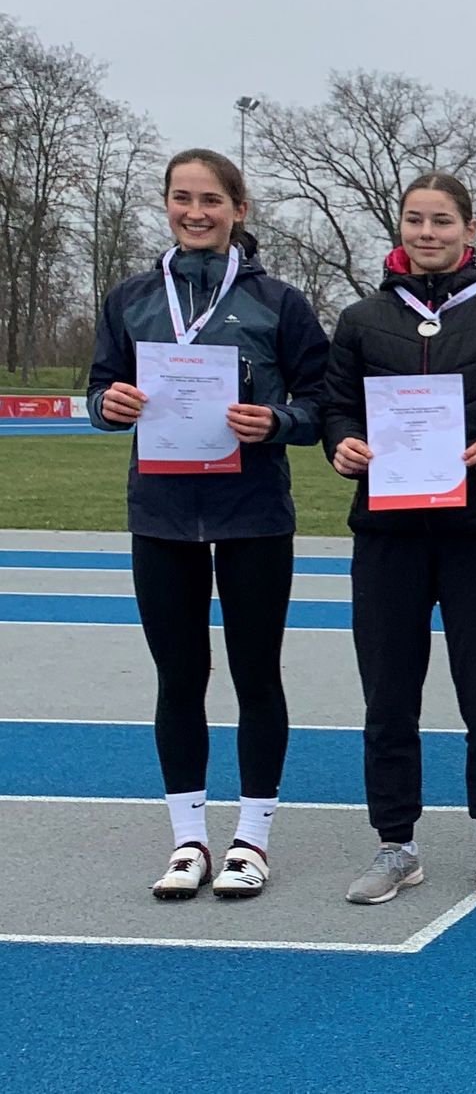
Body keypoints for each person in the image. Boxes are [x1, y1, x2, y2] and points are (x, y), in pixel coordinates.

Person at [86, 149, 328, 901]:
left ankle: (251, 839)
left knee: (257, 676)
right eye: (182, 198)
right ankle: (187, 839)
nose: (196, 212)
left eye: (211, 200)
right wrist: (108, 407)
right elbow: (100, 389)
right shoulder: (131, 298)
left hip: (253, 514)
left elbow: (322, 403)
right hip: (161, 515)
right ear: (166, 204)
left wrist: (277, 420)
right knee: (179, 678)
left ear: (238, 209)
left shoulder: (278, 302)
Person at [323, 172, 476, 906]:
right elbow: (337, 409)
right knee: (388, 697)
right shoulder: (363, 318)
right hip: (388, 536)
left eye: (441, 221)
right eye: (415, 220)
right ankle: (396, 843)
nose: (427, 233)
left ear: (469, 229)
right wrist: (343, 445)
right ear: (400, 227)